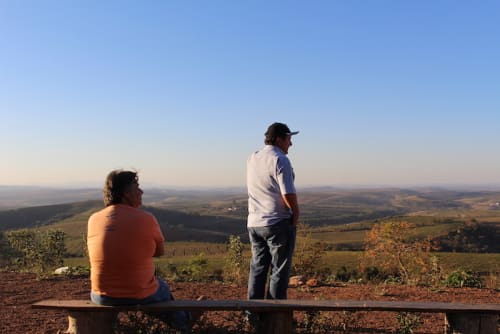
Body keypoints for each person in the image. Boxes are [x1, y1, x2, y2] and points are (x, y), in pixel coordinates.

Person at [87, 170, 199, 332]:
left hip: (99, 295)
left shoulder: (93, 219)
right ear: (126, 193)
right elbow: (159, 252)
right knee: (162, 287)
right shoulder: (146, 218)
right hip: (137, 293)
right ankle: (182, 323)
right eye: (136, 187)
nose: (141, 191)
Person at [246, 122, 300, 301]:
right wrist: (296, 214)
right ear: (279, 139)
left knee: (258, 269)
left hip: (255, 223)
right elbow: (288, 193)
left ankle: (252, 314)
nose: (290, 144)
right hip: (277, 222)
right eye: (288, 139)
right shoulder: (280, 159)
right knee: (279, 270)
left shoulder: (253, 157)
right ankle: (275, 315)